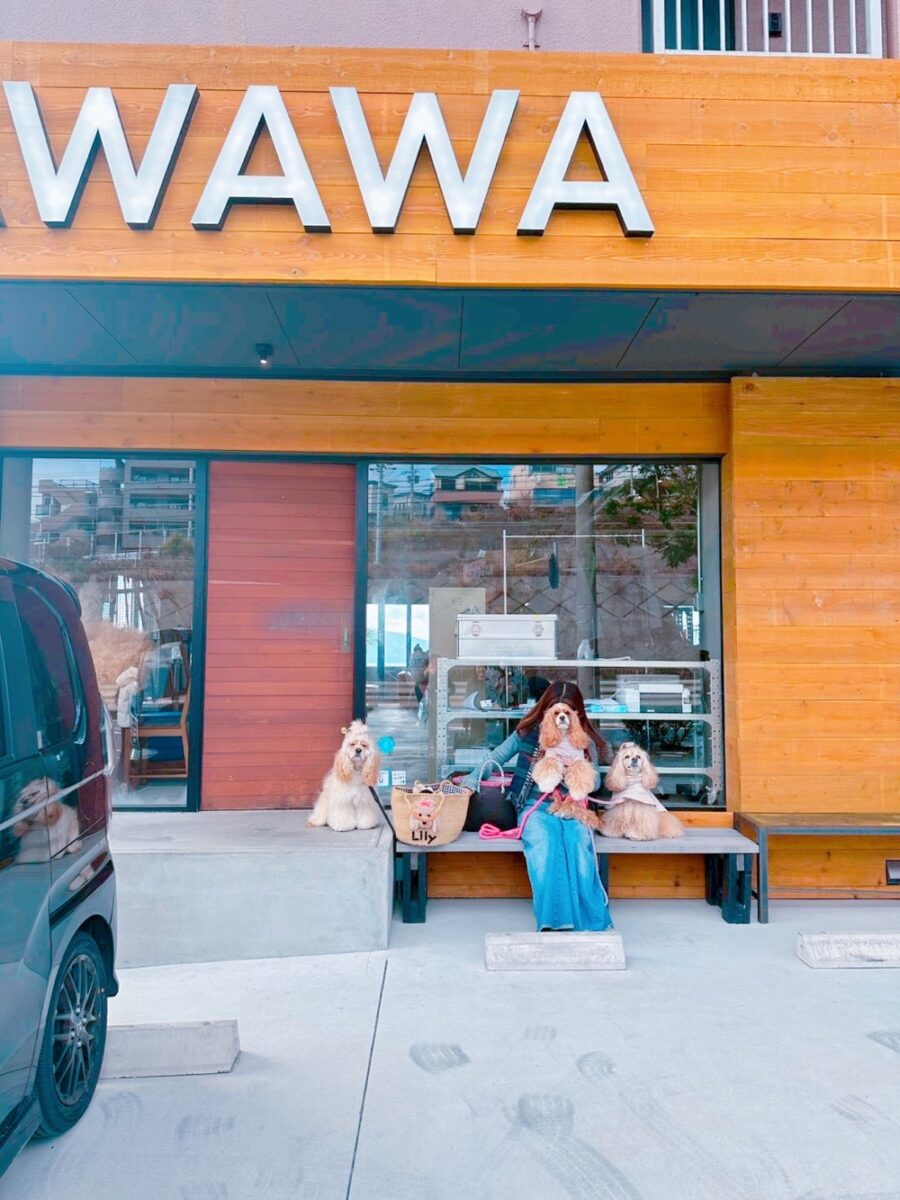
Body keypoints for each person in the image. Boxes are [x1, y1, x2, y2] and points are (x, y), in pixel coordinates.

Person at [461, 681, 614, 932]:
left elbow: (595, 782)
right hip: (534, 804)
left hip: (573, 805)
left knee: (577, 841)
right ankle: (555, 919)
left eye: (568, 711)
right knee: (545, 841)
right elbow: (495, 757)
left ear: (576, 713)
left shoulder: (585, 740)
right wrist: (469, 783)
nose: (562, 717)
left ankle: (591, 919)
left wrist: (571, 768)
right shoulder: (527, 733)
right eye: (555, 710)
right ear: (546, 710)